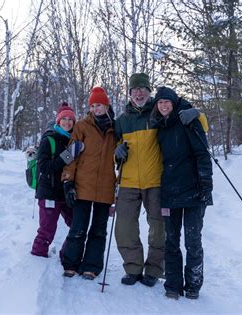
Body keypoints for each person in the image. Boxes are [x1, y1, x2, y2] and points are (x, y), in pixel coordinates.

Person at [113, 73, 206, 287]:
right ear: (129, 93)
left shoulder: (158, 113)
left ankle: (154, 269)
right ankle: (133, 267)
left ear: (149, 91)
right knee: (125, 227)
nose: (139, 93)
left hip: (156, 181)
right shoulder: (121, 121)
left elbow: (194, 123)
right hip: (128, 182)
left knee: (159, 227)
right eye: (135, 90)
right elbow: (112, 150)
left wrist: (196, 112)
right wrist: (116, 153)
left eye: (143, 89)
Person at [150, 86, 213, 300]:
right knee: (171, 240)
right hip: (169, 190)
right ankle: (173, 284)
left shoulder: (187, 120)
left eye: (167, 101)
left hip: (194, 190)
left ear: (174, 102)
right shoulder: (159, 125)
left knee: (192, 240)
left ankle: (193, 284)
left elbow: (203, 154)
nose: (163, 105)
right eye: (160, 103)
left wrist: (206, 184)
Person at [61, 86, 117, 280]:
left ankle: (91, 266)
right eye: (92, 105)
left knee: (99, 230)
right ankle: (71, 264)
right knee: (78, 228)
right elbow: (69, 157)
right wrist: (67, 181)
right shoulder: (82, 126)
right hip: (82, 187)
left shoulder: (114, 129)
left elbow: (121, 159)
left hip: (105, 187)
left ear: (106, 105)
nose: (96, 109)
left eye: (99, 105)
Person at [31, 102, 84, 258]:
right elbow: (45, 167)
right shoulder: (49, 140)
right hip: (49, 193)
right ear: (58, 121)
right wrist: (69, 155)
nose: (67, 122)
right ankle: (37, 258)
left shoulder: (74, 139)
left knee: (77, 225)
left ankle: (66, 254)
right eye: (64, 119)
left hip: (66, 192)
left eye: (70, 119)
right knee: (47, 231)